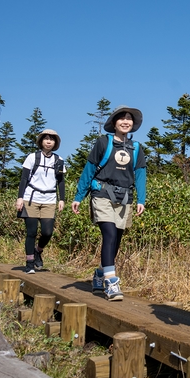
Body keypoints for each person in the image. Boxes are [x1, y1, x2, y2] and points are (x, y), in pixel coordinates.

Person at [71, 106, 147, 301]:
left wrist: (141, 199)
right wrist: (79, 196)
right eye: (121, 118)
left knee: (116, 241)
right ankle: (111, 283)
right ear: (114, 123)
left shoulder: (136, 148)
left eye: (129, 118)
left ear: (133, 124)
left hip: (124, 198)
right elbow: (89, 169)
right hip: (102, 193)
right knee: (110, 233)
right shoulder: (103, 142)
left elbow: (140, 174)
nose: (125, 121)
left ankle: (99, 273)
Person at [16, 129, 66, 274]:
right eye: (46, 138)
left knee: (47, 232)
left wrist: (62, 199)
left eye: (52, 139)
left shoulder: (59, 160)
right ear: (41, 141)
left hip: (49, 199)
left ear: (55, 143)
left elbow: (61, 182)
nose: (49, 141)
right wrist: (20, 198)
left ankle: (38, 251)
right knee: (31, 232)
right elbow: (24, 178)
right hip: (31, 198)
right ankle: (30, 263)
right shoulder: (32, 157)